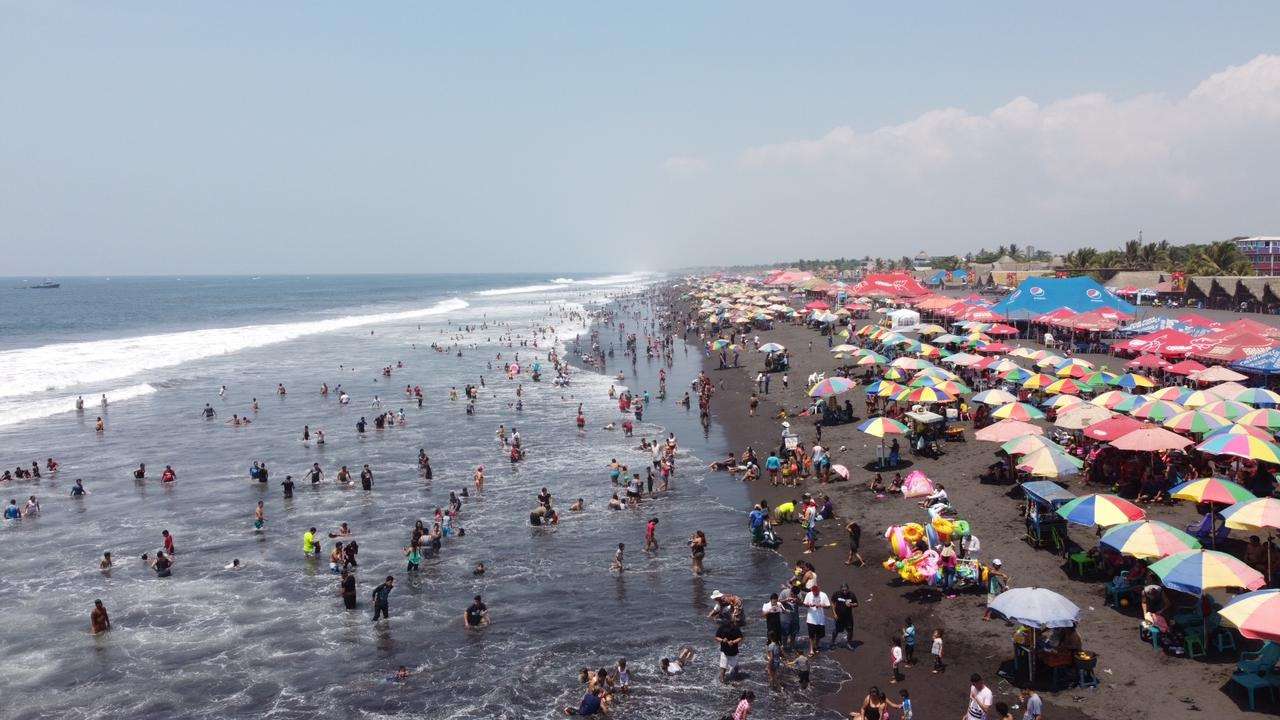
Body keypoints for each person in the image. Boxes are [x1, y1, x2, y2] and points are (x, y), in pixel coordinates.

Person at [803, 584, 830, 656]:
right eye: (814, 592)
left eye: (816, 592)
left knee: (819, 635)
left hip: (820, 619)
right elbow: (804, 604)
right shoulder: (809, 594)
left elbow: (828, 606)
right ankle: (811, 649)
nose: (815, 593)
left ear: (819, 590)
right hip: (811, 619)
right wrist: (809, 605)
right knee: (811, 635)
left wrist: (821, 605)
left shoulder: (823, 595)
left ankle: (816, 646)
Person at [832, 583, 858, 648]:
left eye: (846, 590)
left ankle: (848, 643)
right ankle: (832, 642)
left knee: (850, 631)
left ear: (848, 589)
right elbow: (832, 603)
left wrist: (851, 605)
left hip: (848, 617)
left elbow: (856, 604)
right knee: (837, 630)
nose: (844, 591)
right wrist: (834, 614)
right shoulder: (837, 594)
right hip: (839, 616)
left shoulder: (851, 595)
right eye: (843, 590)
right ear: (840, 590)